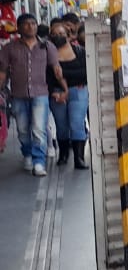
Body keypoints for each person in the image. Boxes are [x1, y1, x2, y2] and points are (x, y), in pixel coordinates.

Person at [0, 14, 66, 176]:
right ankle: (27, 154)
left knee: (39, 129)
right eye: (26, 24)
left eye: (33, 23)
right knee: (22, 130)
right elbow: (2, 72)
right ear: (19, 28)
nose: (31, 27)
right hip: (18, 93)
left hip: (40, 93)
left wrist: (65, 88)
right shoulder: (9, 48)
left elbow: (56, 69)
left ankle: (38, 162)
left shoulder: (47, 46)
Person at [47, 20, 88, 168]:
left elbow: (84, 74)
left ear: (68, 35)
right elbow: (47, 76)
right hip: (57, 94)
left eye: (61, 33)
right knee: (61, 125)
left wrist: (63, 73)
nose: (58, 36)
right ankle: (63, 154)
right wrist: (54, 92)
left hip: (78, 90)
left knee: (77, 123)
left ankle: (79, 158)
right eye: (54, 34)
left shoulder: (80, 52)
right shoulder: (48, 54)